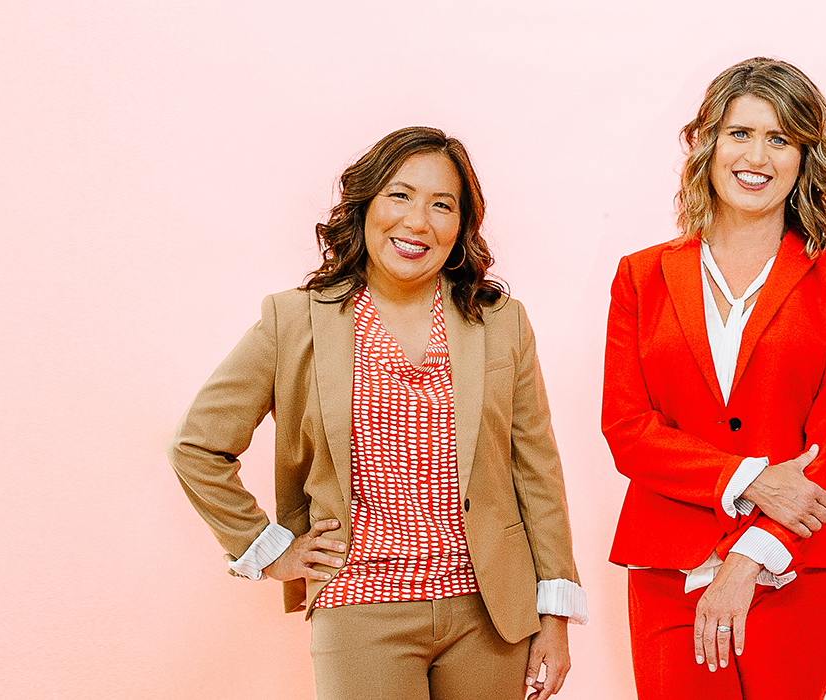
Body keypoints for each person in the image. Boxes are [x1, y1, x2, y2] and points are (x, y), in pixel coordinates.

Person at [172, 126, 586, 700]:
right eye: (401, 195)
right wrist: (270, 551)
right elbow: (196, 446)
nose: (418, 222)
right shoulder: (293, 321)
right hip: (360, 609)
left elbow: (535, 471)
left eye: (443, 205)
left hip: (491, 615)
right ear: (365, 205)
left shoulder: (501, 322)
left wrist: (556, 615)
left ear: (461, 227)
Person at [601, 57, 826, 699]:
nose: (758, 155)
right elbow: (628, 431)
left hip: (796, 573)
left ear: (806, 159)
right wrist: (748, 476)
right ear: (707, 143)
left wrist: (751, 557)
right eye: (741, 133)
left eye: (781, 138)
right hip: (670, 571)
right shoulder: (639, 277)